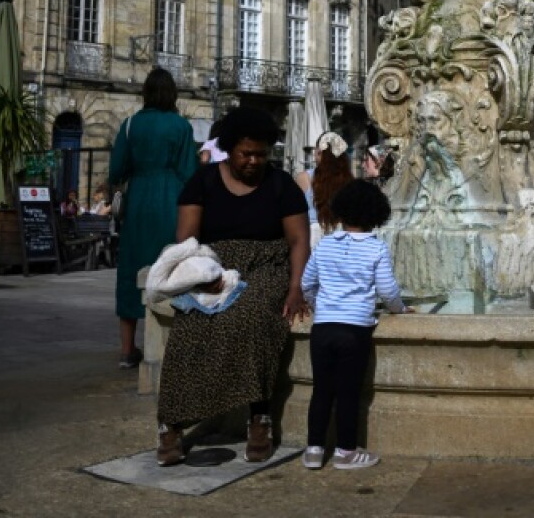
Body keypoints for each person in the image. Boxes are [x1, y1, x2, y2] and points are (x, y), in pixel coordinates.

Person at [156, 106, 310, 467]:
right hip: (213, 267)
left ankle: (259, 417)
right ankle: (172, 424)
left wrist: (295, 287)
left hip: (268, 267)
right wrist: (203, 274)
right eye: (246, 154)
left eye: (261, 153)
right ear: (230, 149)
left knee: (256, 316)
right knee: (191, 324)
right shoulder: (204, 181)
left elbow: (299, 240)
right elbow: (185, 239)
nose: (254, 161)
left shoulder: (281, 184)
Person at [301, 180, 410, 470]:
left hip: (323, 327)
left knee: (322, 389)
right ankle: (346, 451)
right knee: (348, 391)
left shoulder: (325, 245)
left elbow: (307, 283)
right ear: (376, 214)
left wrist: (318, 306)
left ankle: (313, 449)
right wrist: (400, 309)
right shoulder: (376, 249)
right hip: (355, 329)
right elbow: (387, 291)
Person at [109, 68, 198, 371]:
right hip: (172, 201)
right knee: (171, 268)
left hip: (139, 203)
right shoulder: (181, 126)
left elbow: (115, 171)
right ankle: (169, 344)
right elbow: (189, 173)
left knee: (131, 269)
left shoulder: (131, 125)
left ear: (145, 93)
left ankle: (126, 350)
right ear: (173, 94)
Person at [295, 132, 353, 248]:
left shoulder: (305, 178)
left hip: (312, 237)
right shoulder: (349, 181)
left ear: (319, 152)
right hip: (342, 237)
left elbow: (296, 214)